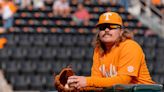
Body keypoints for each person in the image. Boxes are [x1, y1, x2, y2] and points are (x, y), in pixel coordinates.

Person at [67, 12, 155, 89]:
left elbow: (123, 81)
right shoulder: (98, 50)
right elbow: (97, 84)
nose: (106, 30)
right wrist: (76, 86)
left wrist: (87, 81)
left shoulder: (130, 47)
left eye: (112, 26)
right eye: (102, 27)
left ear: (121, 31)